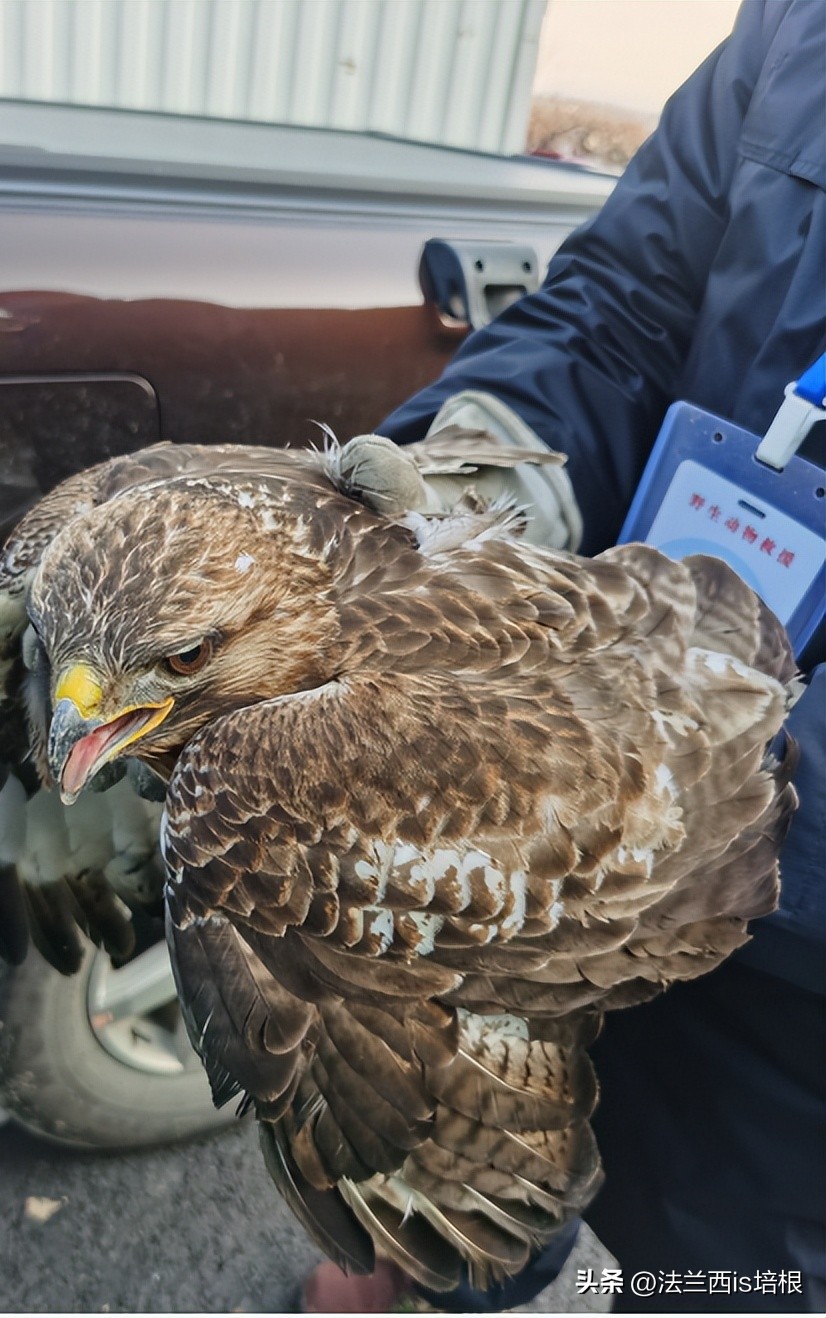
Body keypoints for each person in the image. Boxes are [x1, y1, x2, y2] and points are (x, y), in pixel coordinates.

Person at [303, 0, 825, 1310]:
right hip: (565, 843)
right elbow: (621, 303)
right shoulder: (796, 30)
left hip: (791, 1012)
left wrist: (691, 792)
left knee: (726, 1284)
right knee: (411, 1213)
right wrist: (466, 480)